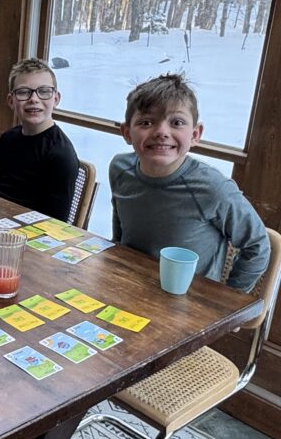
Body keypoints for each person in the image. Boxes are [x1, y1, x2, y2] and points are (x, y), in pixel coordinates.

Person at [110, 73, 269, 291]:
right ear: (126, 132)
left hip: (187, 306)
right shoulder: (120, 169)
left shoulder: (213, 188)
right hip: (128, 288)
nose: (161, 132)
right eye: (146, 122)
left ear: (195, 134)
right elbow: (120, 230)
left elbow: (257, 246)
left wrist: (226, 303)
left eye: (177, 122)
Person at [0, 57, 79, 220]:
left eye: (44, 91)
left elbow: (56, 224)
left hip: (32, 236)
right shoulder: (8, 138)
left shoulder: (61, 154)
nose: (34, 99)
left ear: (56, 99)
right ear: (11, 101)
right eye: (23, 92)